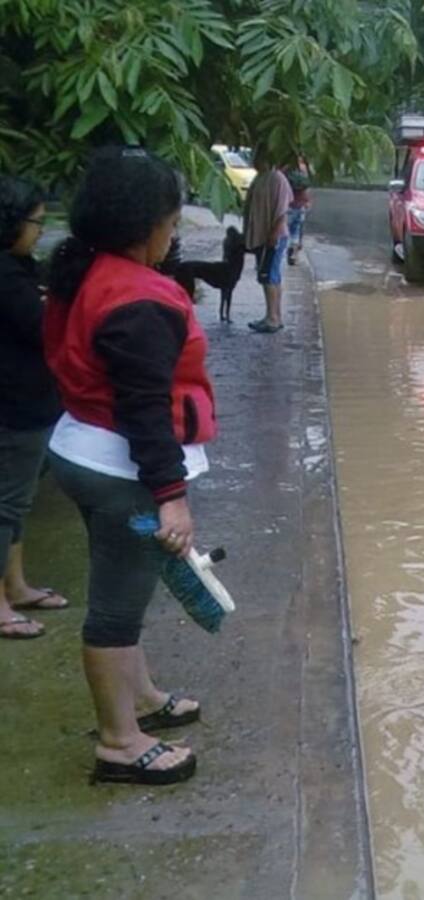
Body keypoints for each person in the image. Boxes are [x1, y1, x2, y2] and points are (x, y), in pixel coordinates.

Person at [44, 146, 217, 785]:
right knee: (116, 609)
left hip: (83, 447)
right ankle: (119, 743)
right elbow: (146, 410)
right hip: (121, 471)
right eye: (172, 224)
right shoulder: (137, 299)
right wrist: (171, 496)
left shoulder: (85, 271)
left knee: (128, 592)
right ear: (145, 225)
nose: (173, 237)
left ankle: (141, 699)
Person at [0, 175, 68, 640]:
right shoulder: (6, 275)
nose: (41, 229)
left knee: (17, 504)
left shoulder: (19, 269)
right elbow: (45, 328)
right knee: (6, 506)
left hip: (30, 405)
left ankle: (16, 586)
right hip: (14, 407)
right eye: (35, 222)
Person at [242, 146, 292, 333]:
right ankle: (273, 315)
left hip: (273, 236)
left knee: (269, 275)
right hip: (263, 235)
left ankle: (273, 317)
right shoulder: (260, 178)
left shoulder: (277, 179)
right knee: (269, 276)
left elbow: (282, 211)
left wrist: (274, 233)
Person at [285, 163, 312, 267]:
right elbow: (307, 188)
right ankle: (293, 255)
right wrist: (307, 202)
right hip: (301, 205)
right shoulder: (303, 168)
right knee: (295, 232)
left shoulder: (285, 168)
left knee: (283, 231)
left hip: (288, 205)